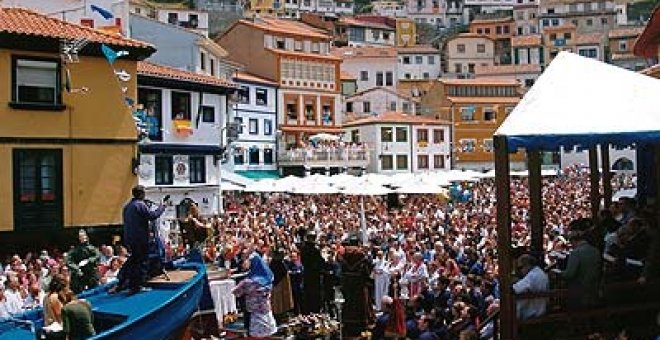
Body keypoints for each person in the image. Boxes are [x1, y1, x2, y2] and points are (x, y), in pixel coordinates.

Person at [112, 185, 166, 294]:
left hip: (130, 239)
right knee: (141, 263)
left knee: (133, 261)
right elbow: (152, 215)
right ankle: (138, 286)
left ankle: (125, 283)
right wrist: (162, 207)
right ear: (142, 194)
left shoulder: (127, 206)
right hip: (140, 239)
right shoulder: (140, 205)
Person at [232, 253, 278, 338]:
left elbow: (236, 292)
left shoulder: (247, 282)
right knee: (270, 334)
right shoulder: (268, 279)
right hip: (267, 310)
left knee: (256, 336)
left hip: (254, 314)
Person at [560, 218, 602, 309]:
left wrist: (559, 273)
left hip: (579, 292)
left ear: (573, 240)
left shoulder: (576, 253)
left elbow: (569, 274)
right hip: (594, 289)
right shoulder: (595, 250)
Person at [340, 235, 374, 338]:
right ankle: (361, 323)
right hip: (359, 285)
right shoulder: (361, 256)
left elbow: (342, 269)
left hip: (348, 285)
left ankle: (349, 322)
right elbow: (367, 271)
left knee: (349, 303)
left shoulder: (344, 255)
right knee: (361, 304)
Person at [512, 254, 549, 320]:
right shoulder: (540, 272)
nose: (520, 271)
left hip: (532, 313)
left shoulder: (532, 275)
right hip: (540, 310)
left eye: (520, 267)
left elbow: (515, 289)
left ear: (527, 265)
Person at [66, 229, 100, 293]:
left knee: (94, 290)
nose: (82, 238)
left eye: (84, 235)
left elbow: (97, 256)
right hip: (78, 274)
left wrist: (88, 260)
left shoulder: (92, 248)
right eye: (80, 236)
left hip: (91, 273)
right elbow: (69, 261)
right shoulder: (74, 250)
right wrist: (76, 268)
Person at [300, 231, 324, 314]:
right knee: (315, 294)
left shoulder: (303, 248)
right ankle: (315, 310)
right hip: (314, 274)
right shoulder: (315, 249)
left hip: (307, 273)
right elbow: (320, 262)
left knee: (307, 293)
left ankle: (307, 310)